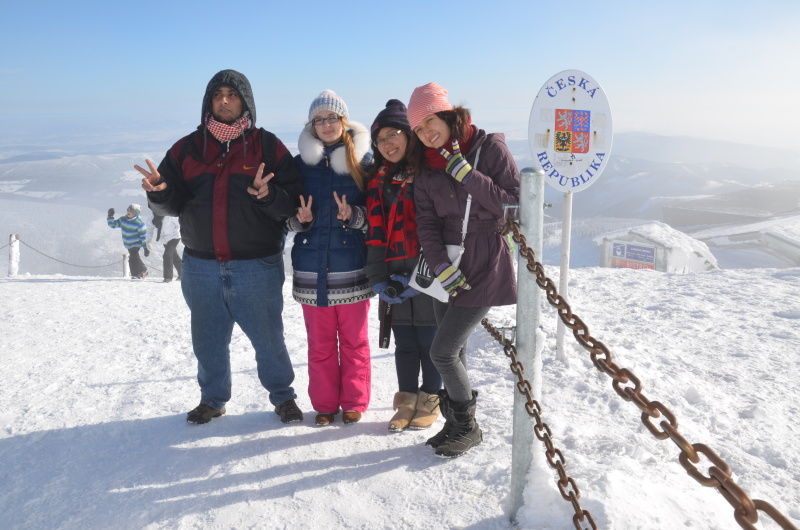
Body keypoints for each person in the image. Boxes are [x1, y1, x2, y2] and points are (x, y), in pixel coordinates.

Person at [135, 69, 305, 425]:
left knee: (269, 340)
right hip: (201, 266)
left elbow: (292, 203)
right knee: (208, 341)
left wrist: (269, 195)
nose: (224, 101)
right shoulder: (186, 149)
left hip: (256, 265)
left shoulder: (268, 146)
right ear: (208, 102)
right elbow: (171, 205)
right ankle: (212, 399)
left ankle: (283, 397)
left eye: (232, 95)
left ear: (245, 101)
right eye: (217, 95)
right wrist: (159, 192)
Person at [406, 82, 519, 458]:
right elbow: (427, 223)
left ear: (448, 114)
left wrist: (469, 175)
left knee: (442, 352)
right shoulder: (425, 167)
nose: (426, 133)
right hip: (448, 264)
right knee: (456, 352)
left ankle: (467, 427)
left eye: (430, 122)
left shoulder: (490, 149)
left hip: (485, 261)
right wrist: (440, 266)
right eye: (418, 129)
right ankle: (457, 425)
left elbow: (516, 206)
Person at [288, 90, 373, 426]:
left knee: (354, 341)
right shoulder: (299, 167)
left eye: (332, 117)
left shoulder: (364, 163)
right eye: (319, 119)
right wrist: (300, 221)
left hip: (352, 266)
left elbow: (380, 215)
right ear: (311, 125)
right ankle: (324, 405)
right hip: (310, 269)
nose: (326, 124)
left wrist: (354, 216)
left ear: (343, 120)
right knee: (320, 344)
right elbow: (284, 218)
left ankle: (354, 402)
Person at [365, 99, 442, 432]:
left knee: (431, 343)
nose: (387, 144)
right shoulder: (377, 181)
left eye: (393, 135)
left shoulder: (429, 174)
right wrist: (378, 279)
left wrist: (423, 278)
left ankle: (431, 399)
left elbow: (440, 230)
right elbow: (374, 235)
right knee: (405, 344)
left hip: (428, 275)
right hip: (394, 275)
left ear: (409, 135)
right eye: (380, 140)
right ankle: (406, 401)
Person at [107, 203, 149, 279]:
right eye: (128, 210)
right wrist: (110, 217)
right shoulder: (123, 220)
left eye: (131, 210)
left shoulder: (139, 224)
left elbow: (143, 237)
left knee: (133, 257)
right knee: (135, 257)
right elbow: (113, 225)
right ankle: (144, 270)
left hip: (136, 244)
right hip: (128, 244)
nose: (128, 211)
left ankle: (135, 275)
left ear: (135, 213)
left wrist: (145, 248)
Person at [146, 212, 182, 282]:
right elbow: (149, 227)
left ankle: (168, 277)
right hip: (164, 238)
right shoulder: (152, 214)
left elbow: (180, 224)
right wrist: (148, 240)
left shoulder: (169, 212)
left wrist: (176, 232)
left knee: (167, 255)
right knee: (174, 256)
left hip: (174, 236)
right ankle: (183, 273)